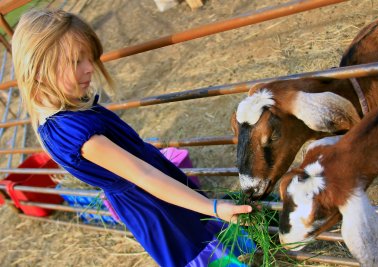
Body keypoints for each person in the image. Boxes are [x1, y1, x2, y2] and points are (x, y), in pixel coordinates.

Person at [12, 9, 254, 267]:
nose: (89, 69)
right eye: (75, 61)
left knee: (203, 228)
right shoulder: (76, 134)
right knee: (198, 243)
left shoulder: (61, 113)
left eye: (89, 58)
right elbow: (143, 176)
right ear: (37, 70)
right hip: (156, 205)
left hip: (156, 192)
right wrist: (213, 207)